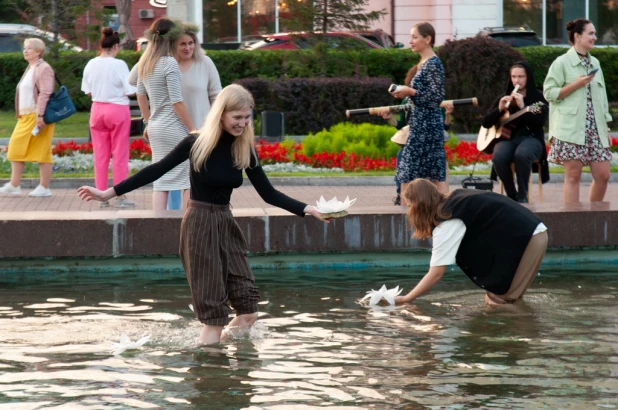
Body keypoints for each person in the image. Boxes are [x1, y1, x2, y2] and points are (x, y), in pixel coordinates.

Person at [77, 84, 328, 344]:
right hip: (199, 224)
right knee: (213, 318)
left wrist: (310, 209)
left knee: (249, 312)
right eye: (237, 118)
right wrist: (108, 193)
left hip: (225, 224)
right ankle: (209, 372)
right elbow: (156, 170)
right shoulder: (196, 143)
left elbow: (268, 193)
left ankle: (223, 363)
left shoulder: (244, 148)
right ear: (221, 114)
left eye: (246, 118)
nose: (242, 124)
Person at [394, 179, 548, 306]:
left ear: (420, 208)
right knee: (496, 297)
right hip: (531, 230)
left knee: (499, 302)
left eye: (409, 206)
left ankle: (525, 336)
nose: (408, 212)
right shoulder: (453, 200)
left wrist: (407, 299)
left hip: (529, 237)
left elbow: (435, 274)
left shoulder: (448, 221)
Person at [544, 19, 613, 203]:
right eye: (590, 33)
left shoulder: (595, 62)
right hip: (570, 128)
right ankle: (573, 223)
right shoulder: (562, 63)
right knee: (573, 176)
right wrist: (575, 85)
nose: (595, 37)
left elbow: (602, 98)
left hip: (595, 129)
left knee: (603, 175)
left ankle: (594, 219)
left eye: (594, 33)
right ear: (577, 36)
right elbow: (549, 93)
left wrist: (605, 125)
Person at [137, 17, 195, 211]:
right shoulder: (169, 63)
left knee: (160, 179)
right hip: (173, 128)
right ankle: (187, 223)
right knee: (188, 178)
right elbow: (177, 101)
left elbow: (140, 94)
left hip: (155, 128)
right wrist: (193, 129)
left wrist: (147, 122)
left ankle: (158, 224)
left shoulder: (145, 62)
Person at [81, 28, 137, 208]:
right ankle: (120, 195)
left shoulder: (91, 63)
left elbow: (87, 90)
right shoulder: (119, 64)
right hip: (117, 110)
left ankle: (100, 195)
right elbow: (129, 90)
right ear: (116, 46)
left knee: (100, 155)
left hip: (97, 110)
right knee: (119, 154)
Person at [391, 22, 447, 195]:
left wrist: (410, 91)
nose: (410, 41)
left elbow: (436, 97)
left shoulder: (433, 64)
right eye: (410, 37)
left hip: (428, 127)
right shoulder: (423, 63)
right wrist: (404, 94)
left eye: (415, 37)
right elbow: (421, 96)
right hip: (419, 125)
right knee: (411, 175)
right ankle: (413, 218)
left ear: (428, 39)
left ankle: (443, 215)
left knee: (423, 175)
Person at [482, 61, 549, 203]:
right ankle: (512, 195)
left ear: (528, 78)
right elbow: (486, 123)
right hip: (508, 139)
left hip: (531, 139)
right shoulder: (505, 96)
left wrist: (523, 107)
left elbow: (539, 123)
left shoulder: (538, 98)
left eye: (520, 77)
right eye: (513, 77)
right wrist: (499, 109)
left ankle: (523, 195)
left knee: (522, 154)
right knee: (498, 156)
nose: (516, 80)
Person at [0, 38, 56, 197]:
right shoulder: (30, 67)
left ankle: (44, 188)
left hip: (37, 116)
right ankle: (14, 185)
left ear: (38, 51)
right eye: (25, 48)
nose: (25, 51)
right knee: (15, 147)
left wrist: (40, 115)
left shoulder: (43, 68)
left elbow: (46, 92)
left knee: (42, 151)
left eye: (29, 48)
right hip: (25, 116)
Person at [383, 99, 454, 206]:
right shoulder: (406, 101)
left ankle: (440, 203)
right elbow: (401, 125)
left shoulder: (434, 98)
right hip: (413, 143)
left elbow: (444, 127)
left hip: (432, 143)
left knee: (438, 170)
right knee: (402, 156)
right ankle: (401, 197)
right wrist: (391, 118)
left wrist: (448, 114)